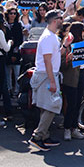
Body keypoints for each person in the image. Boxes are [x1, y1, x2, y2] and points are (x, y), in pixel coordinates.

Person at [29, 10, 66, 150]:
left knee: (47, 106)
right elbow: (47, 61)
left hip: (49, 74)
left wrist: (66, 45)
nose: (62, 20)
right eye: (61, 18)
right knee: (53, 106)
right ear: (55, 20)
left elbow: (56, 55)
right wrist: (51, 81)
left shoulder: (52, 36)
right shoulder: (48, 37)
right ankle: (37, 136)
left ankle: (45, 136)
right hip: (46, 75)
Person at [60, 22, 84, 141]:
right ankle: (67, 128)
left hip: (81, 76)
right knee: (71, 104)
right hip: (70, 78)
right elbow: (61, 65)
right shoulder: (67, 45)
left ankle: (74, 128)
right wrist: (68, 59)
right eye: (83, 30)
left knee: (77, 104)